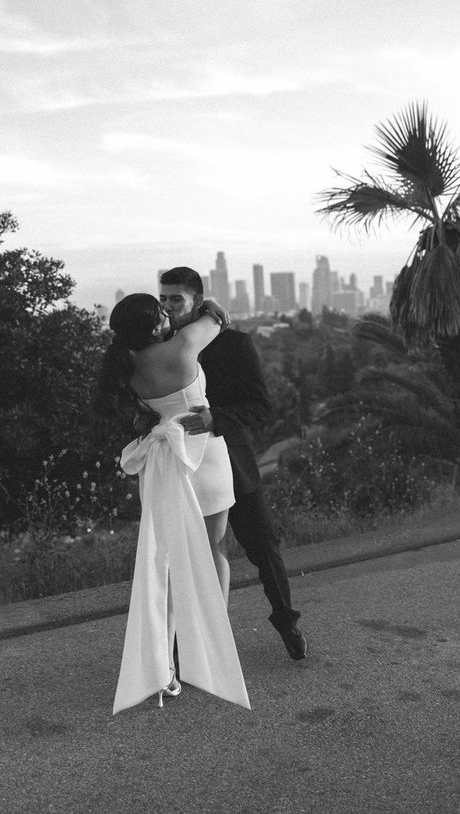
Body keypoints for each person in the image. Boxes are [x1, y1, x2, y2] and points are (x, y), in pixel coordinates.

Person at [94, 293, 250, 715]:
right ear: (154, 326)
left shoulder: (128, 366)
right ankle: (213, 641)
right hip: (204, 457)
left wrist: (167, 324)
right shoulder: (183, 347)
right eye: (162, 312)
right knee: (215, 548)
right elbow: (217, 316)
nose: (169, 315)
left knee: (165, 561)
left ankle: (165, 669)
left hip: (163, 468)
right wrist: (204, 304)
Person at [158, 267, 308, 661]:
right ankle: (187, 642)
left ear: (197, 300)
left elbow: (260, 405)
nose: (169, 306)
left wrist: (216, 419)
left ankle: (287, 623)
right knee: (193, 554)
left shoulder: (236, 344)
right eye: (164, 298)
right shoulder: (163, 344)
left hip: (233, 464)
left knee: (263, 548)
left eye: (176, 298)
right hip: (184, 470)